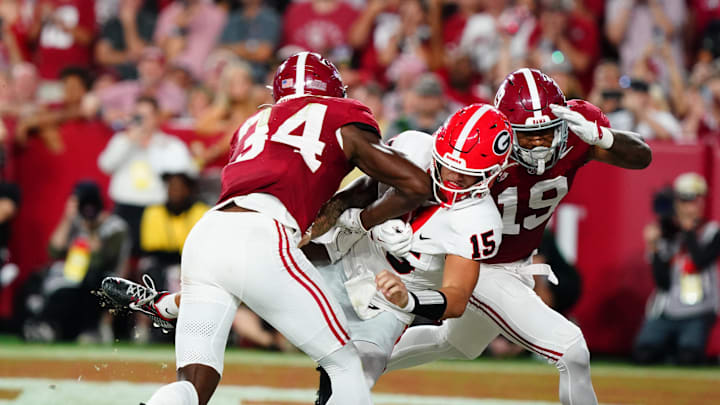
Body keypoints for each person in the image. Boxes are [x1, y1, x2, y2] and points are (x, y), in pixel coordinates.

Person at [102, 52, 432, 405]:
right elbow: (417, 185)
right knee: (346, 364)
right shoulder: (341, 116)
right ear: (334, 91)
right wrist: (358, 219)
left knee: (194, 383)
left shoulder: (253, 124)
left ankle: (167, 311)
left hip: (208, 234)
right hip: (262, 232)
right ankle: (167, 305)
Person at [386, 68, 652, 405]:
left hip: (518, 260)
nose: (540, 144)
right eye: (527, 136)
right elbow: (433, 187)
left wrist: (604, 137)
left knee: (457, 345)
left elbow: (643, 157)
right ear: (505, 131)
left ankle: (355, 366)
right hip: (478, 259)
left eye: (547, 133)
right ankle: (352, 368)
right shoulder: (482, 140)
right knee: (571, 350)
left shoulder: (576, 130)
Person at [309, 104, 512, 399]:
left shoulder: (479, 221)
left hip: (384, 305)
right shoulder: (414, 145)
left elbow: (456, 298)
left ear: (493, 173)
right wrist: (369, 219)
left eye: (467, 173)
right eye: (449, 164)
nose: (454, 175)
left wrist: (407, 299)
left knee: (353, 380)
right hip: (343, 256)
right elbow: (364, 188)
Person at [633, 173, 720, 365]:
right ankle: (667, 348)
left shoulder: (712, 232)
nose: (690, 207)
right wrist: (654, 248)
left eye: (694, 201)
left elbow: (700, 261)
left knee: (688, 358)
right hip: (666, 311)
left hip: (698, 312)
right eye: (684, 201)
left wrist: (688, 230)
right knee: (643, 355)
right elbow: (661, 282)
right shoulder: (667, 234)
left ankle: (679, 348)